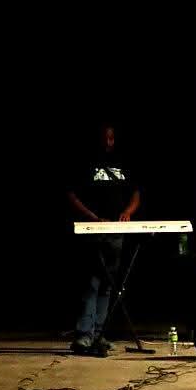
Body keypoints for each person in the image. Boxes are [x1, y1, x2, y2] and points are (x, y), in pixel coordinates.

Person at [67, 124, 140, 355]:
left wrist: (128, 211)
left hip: (116, 231)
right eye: (105, 138)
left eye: (111, 138)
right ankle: (84, 334)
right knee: (92, 282)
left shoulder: (122, 163)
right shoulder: (86, 163)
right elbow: (72, 194)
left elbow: (136, 193)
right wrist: (91, 216)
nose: (108, 142)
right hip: (93, 229)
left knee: (108, 285)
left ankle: (99, 333)